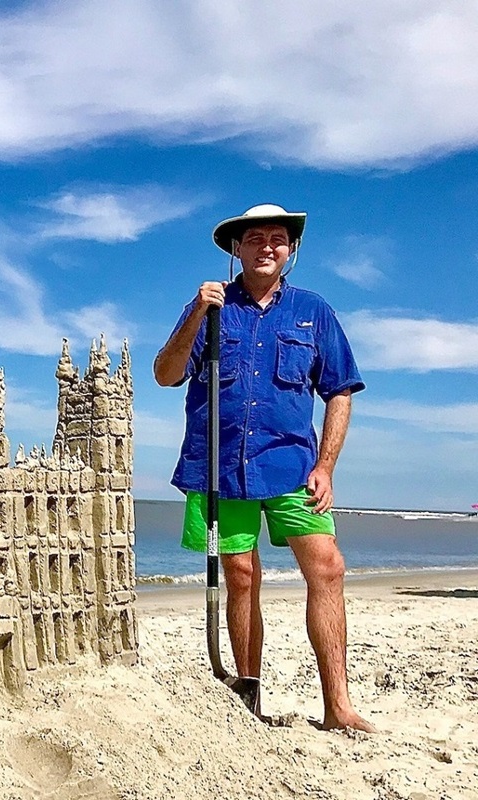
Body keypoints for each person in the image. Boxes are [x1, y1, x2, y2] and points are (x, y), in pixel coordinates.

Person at [153, 204, 375, 732]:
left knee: (328, 568)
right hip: (220, 467)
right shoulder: (209, 308)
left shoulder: (313, 310)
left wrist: (326, 465)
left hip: (293, 466)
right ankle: (249, 699)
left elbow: (340, 390)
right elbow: (166, 374)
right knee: (241, 576)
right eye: (255, 238)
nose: (267, 246)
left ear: (291, 249)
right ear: (238, 249)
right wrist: (195, 315)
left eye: (278, 238)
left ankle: (338, 706)